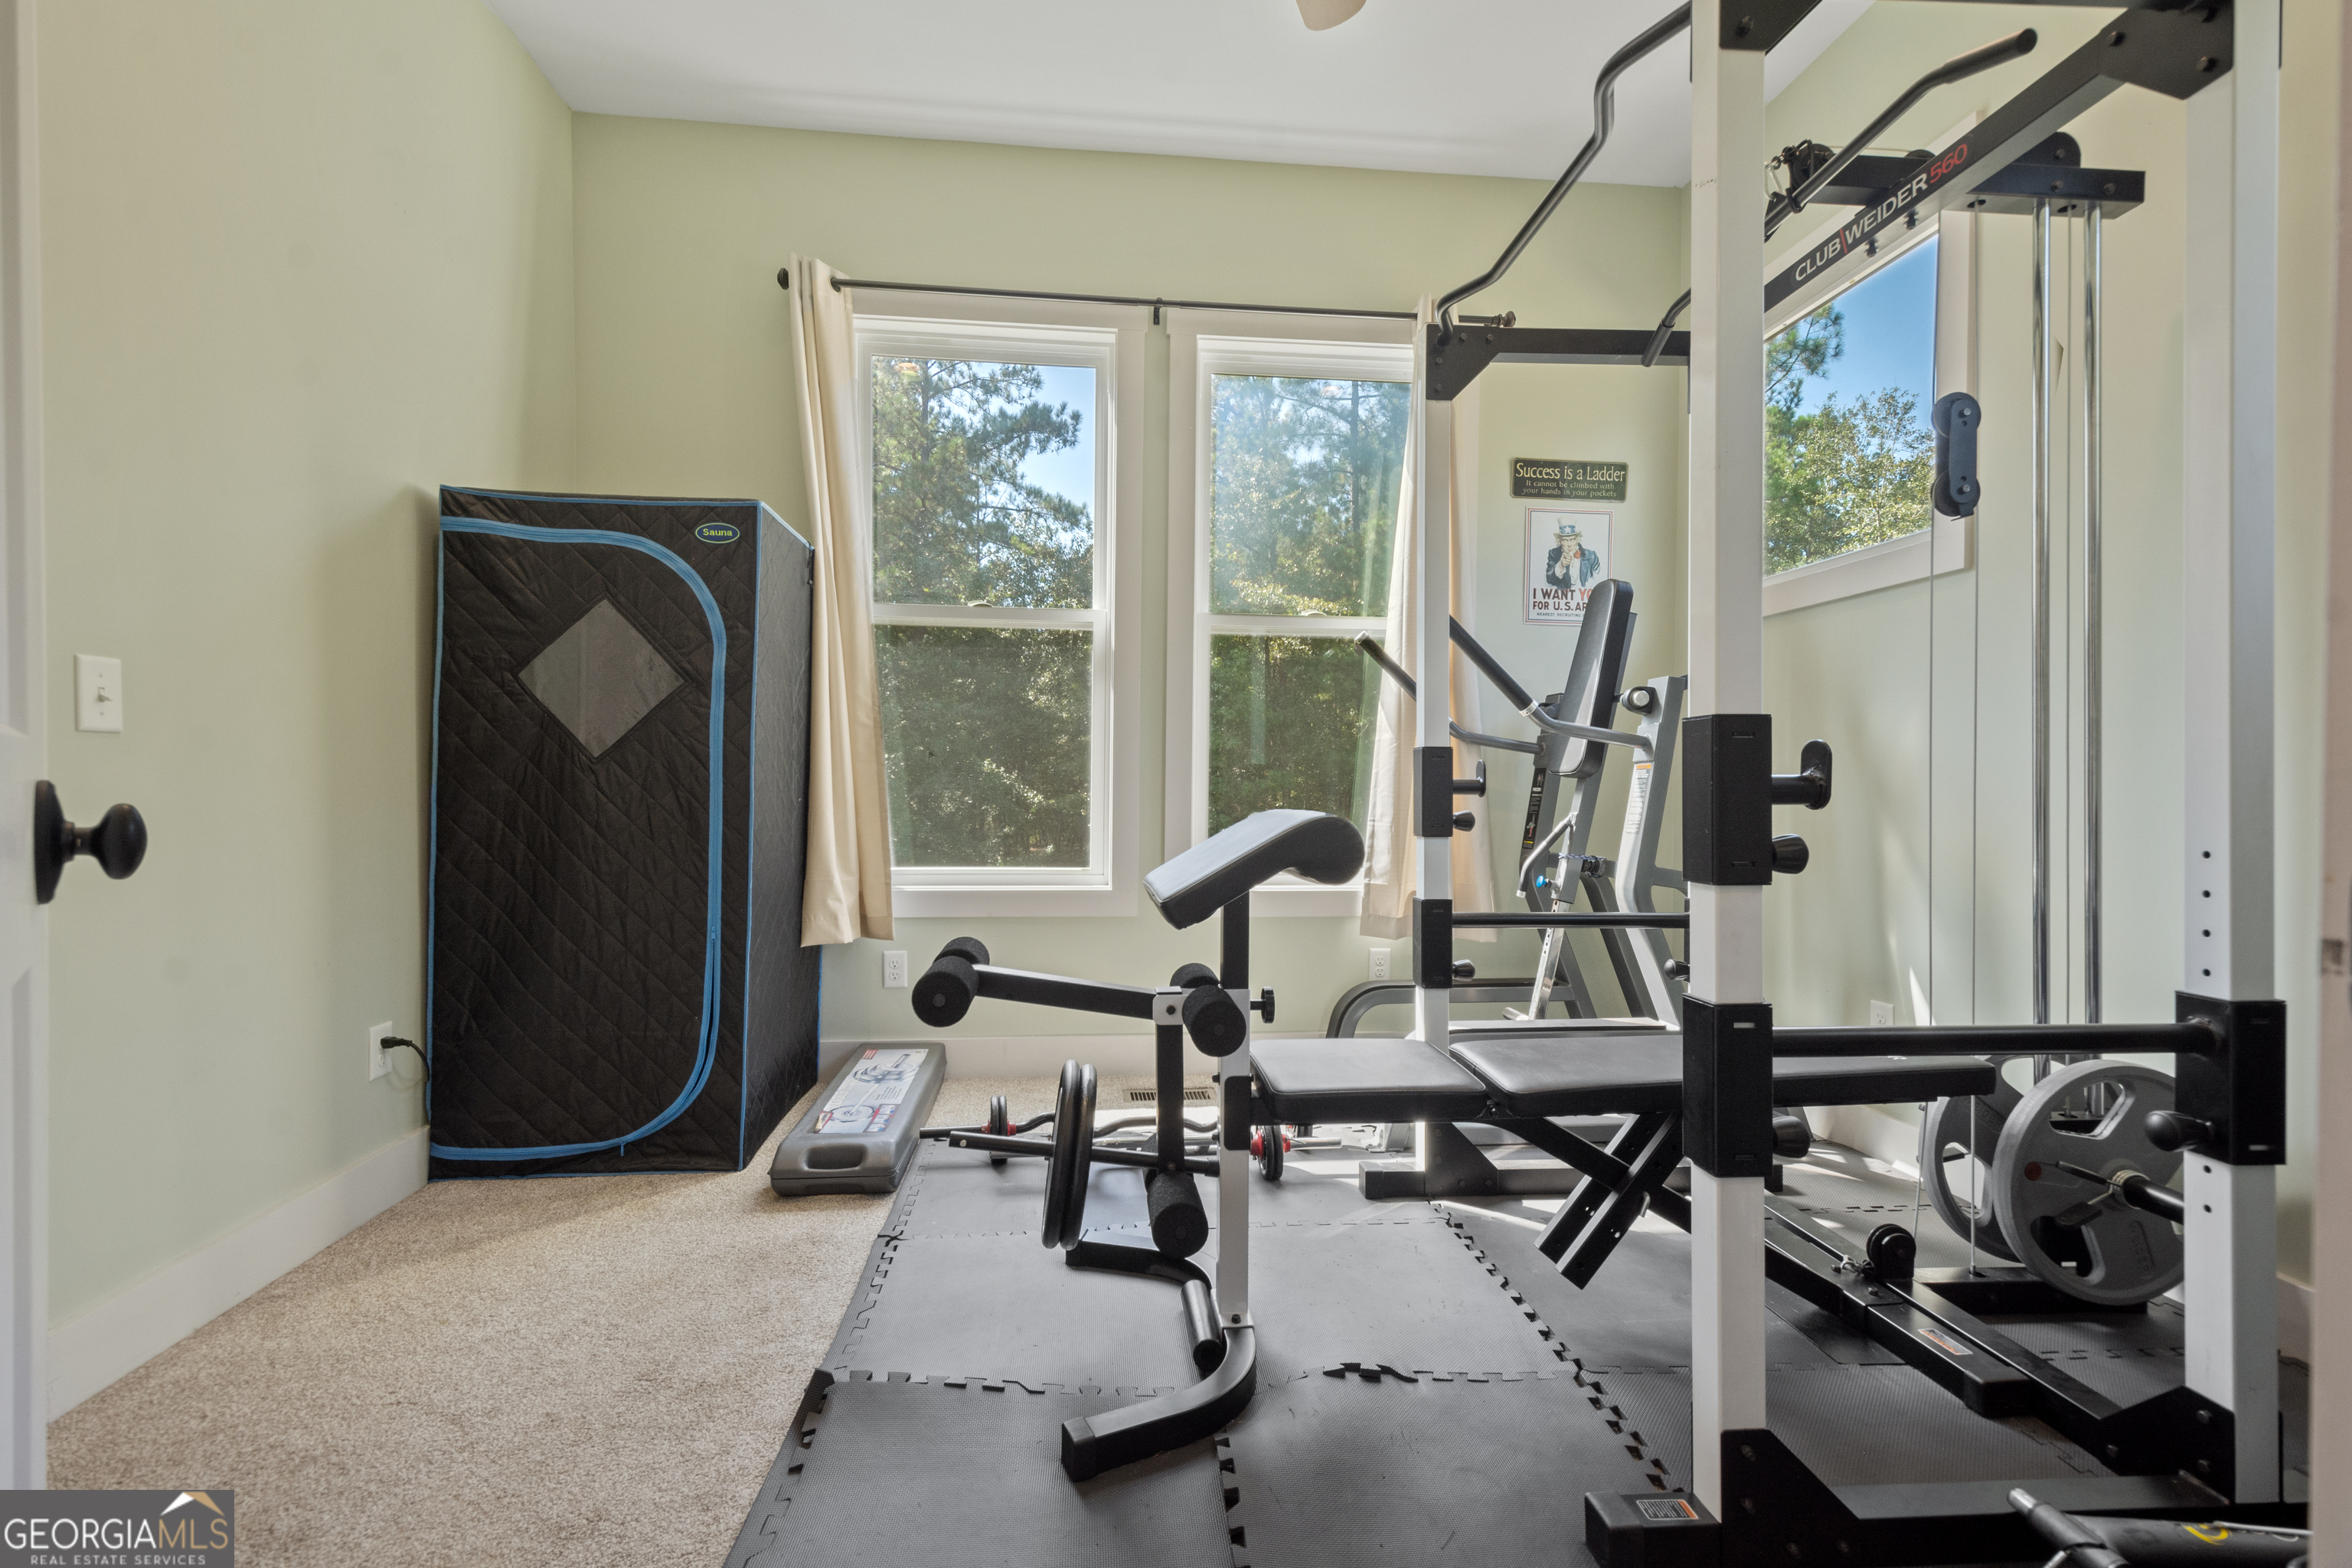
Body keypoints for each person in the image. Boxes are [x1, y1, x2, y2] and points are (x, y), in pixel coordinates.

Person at [1544, 521, 1601, 592]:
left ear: (1577, 540)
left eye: (1572, 539)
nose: (1569, 544)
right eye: (1565, 540)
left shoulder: (1591, 556)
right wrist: (1561, 565)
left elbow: (1599, 580)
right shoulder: (1554, 554)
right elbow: (1550, 579)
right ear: (1559, 542)